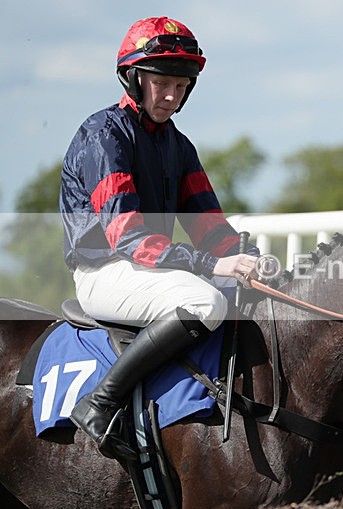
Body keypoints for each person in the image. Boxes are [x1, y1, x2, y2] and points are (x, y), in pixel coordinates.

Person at [59, 16, 259, 461]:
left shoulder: (178, 145)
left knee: (242, 294)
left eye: (182, 86)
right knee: (207, 302)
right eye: (162, 83)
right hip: (105, 272)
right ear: (133, 79)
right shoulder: (102, 136)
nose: (172, 96)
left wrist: (246, 258)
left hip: (151, 270)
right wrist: (211, 265)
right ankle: (101, 402)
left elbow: (209, 226)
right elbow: (127, 234)